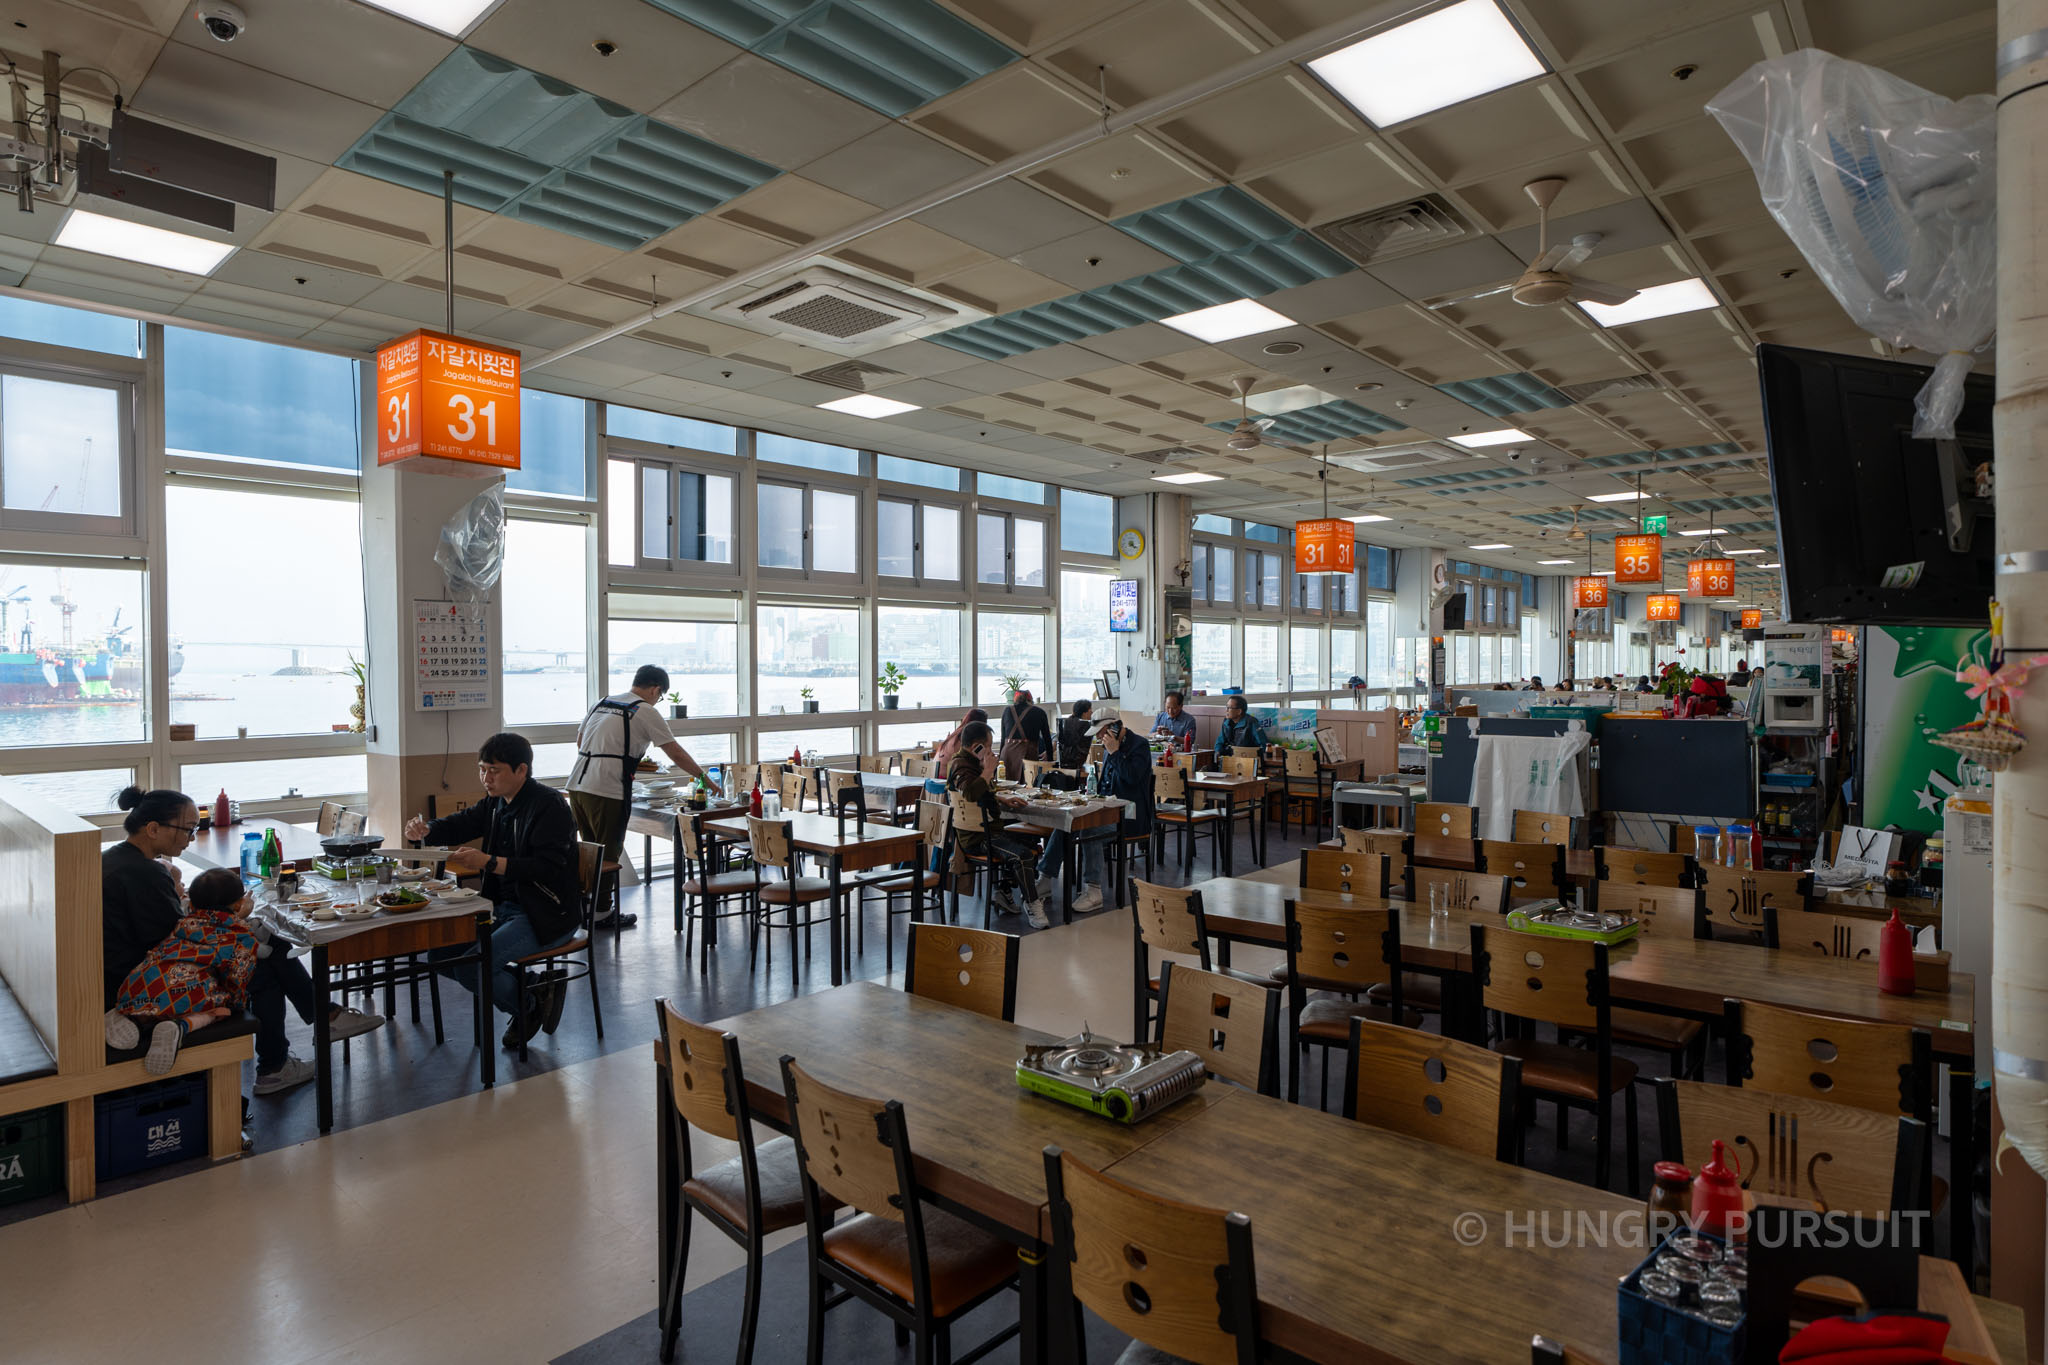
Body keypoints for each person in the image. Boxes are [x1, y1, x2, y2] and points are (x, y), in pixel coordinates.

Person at [101, 787, 381, 1097]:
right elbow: (177, 938)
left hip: (129, 970)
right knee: (266, 966)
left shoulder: (115, 859)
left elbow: (174, 932)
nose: (191, 838)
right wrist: (236, 922)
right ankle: (282, 1060)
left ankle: (319, 1021)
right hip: (143, 982)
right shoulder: (146, 874)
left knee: (267, 949)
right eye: (187, 829)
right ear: (153, 829)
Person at [407, 733, 583, 1049]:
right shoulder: (495, 802)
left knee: (472, 966)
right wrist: (428, 830)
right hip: (503, 909)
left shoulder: (550, 805)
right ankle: (532, 987)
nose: (486, 778)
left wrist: (489, 862)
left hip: (546, 913)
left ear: (522, 771)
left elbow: (548, 866)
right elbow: (463, 823)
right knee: (440, 955)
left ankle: (526, 1007)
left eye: (494, 770)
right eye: (482, 769)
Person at [566, 665, 719, 931]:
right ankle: (602, 914)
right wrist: (704, 779)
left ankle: (585, 908)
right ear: (656, 689)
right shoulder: (645, 710)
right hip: (606, 789)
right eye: (660, 696)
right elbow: (675, 752)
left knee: (588, 850)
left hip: (578, 784)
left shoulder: (602, 702)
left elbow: (580, 741)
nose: (658, 700)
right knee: (607, 851)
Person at [114, 868, 258, 1077]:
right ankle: (181, 1027)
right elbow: (236, 979)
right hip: (188, 993)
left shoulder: (184, 922)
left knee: (161, 998)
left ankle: (129, 1018)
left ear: (190, 904)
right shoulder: (242, 937)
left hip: (139, 982)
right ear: (239, 904)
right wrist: (235, 1004)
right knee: (221, 1008)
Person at [1037, 716, 1154, 914]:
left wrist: (1115, 752)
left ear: (1114, 728)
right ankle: (1045, 878)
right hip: (1106, 809)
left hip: (1130, 815)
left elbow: (1132, 778)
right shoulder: (1109, 749)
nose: (1099, 738)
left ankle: (1093, 891)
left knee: (1090, 828)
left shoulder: (1139, 745)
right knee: (1068, 820)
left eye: (1101, 733)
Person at [945, 720, 1048, 928]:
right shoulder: (961, 765)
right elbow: (970, 793)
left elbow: (980, 792)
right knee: (1022, 855)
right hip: (978, 837)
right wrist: (988, 771)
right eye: (989, 746)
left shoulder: (970, 763)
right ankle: (1033, 905)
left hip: (989, 831)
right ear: (977, 746)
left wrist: (1001, 799)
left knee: (1030, 840)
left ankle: (1004, 891)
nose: (991, 750)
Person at [1000, 689, 1053, 763]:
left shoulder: (1007, 710)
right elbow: (1047, 738)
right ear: (1031, 700)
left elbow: (1003, 738)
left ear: (1015, 700)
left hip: (1007, 756)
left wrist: (1000, 759)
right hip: (1028, 756)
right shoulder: (1039, 712)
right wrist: (1050, 759)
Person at [1212, 695, 1266, 762]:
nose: (1226, 710)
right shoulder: (1226, 722)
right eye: (1226, 707)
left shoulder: (1251, 722)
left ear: (1239, 711)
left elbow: (1263, 744)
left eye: (1229, 708)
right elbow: (1220, 741)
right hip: (1229, 758)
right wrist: (1218, 751)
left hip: (1247, 759)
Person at [1056, 698, 1093, 770]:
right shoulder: (1085, 725)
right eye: (1090, 709)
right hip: (1077, 761)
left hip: (1065, 759)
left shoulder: (1068, 721)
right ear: (1084, 712)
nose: (1092, 712)